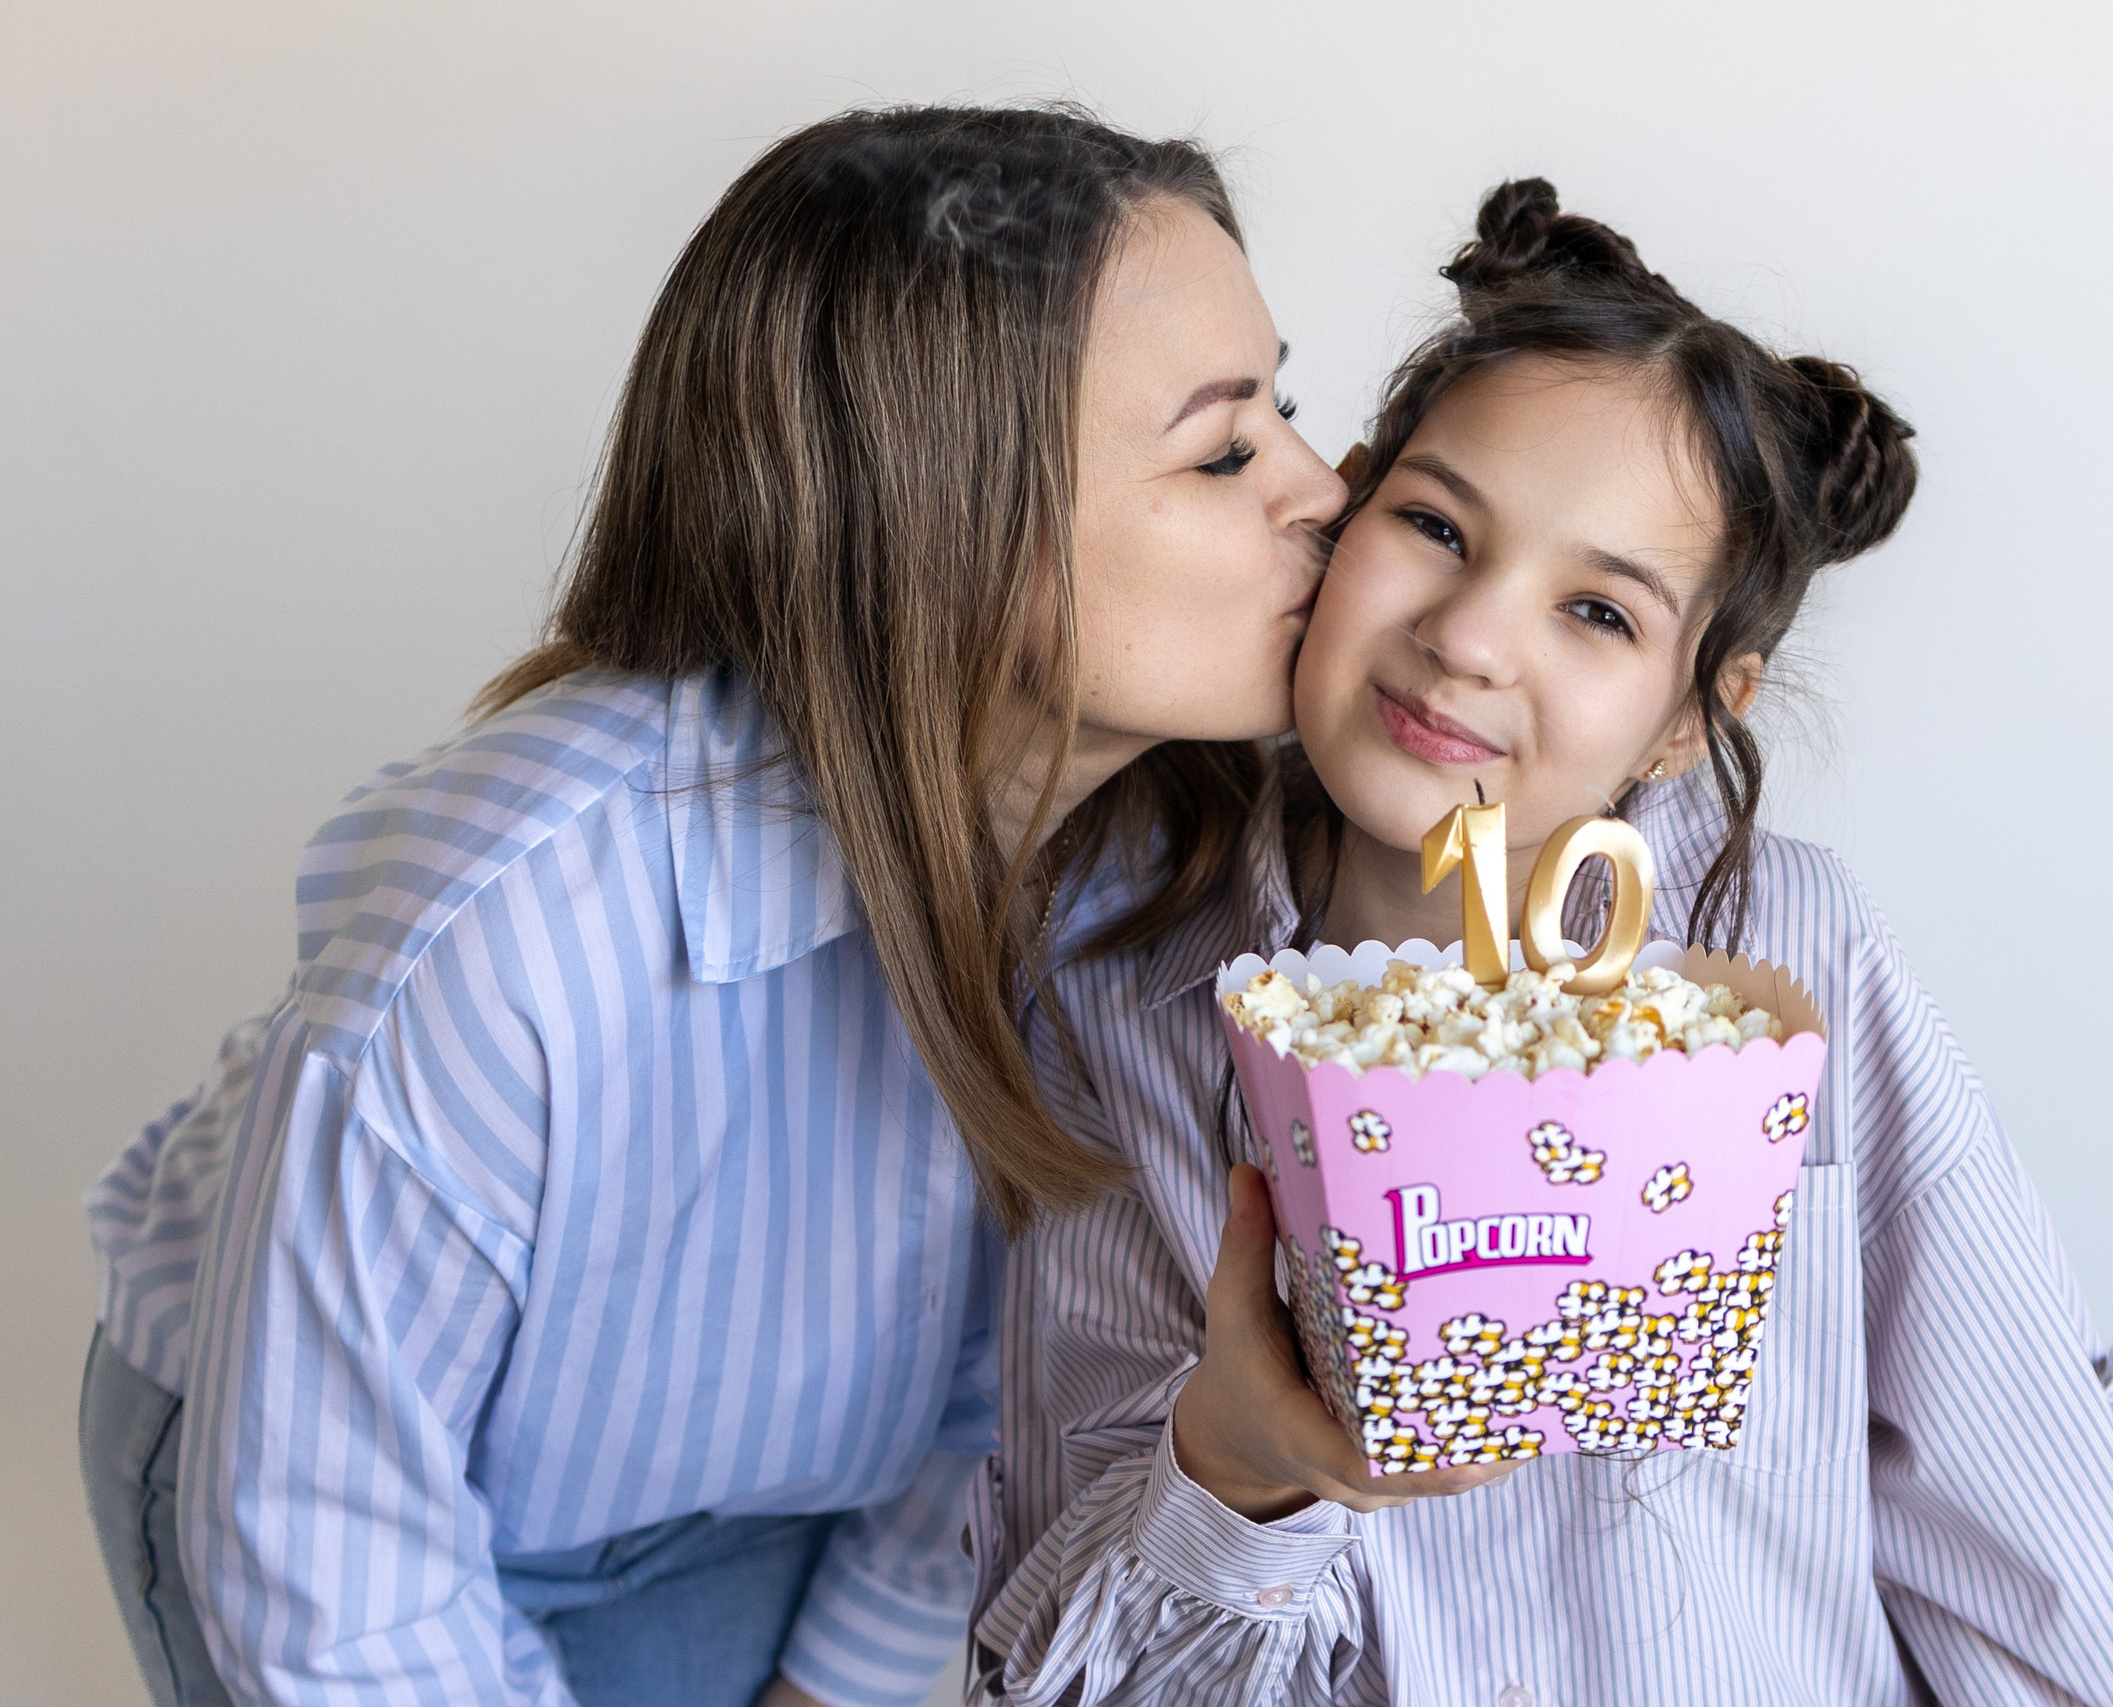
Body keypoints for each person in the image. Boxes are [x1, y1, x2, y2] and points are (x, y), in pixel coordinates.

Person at [78, 104, 1344, 1707]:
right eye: (1226, 447)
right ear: (939, 517)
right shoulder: (511, 923)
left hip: (754, 1496)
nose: (1325, 484)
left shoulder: (1152, 872)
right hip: (325, 1487)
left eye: (1286, 409)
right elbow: (330, 1568)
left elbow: (994, 1380)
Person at [972, 180, 2113, 1704]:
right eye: (1434, 526)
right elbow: (1055, 1666)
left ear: (1699, 712)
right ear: (1342, 505)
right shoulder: (1115, 980)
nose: (1474, 636)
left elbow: (2035, 1544)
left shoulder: (1785, 962)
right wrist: (1231, 1466)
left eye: (1601, 614)